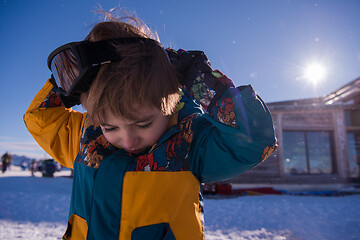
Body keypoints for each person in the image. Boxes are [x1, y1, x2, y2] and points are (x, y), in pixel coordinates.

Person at [24, 10, 277, 240]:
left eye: (143, 124)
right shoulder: (86, 138)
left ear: (168, 104)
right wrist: (69, 81)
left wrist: (196, 77)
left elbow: (252, 139)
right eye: (110, 127)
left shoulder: (190, 142)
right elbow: (40, 117)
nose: (128, 139)